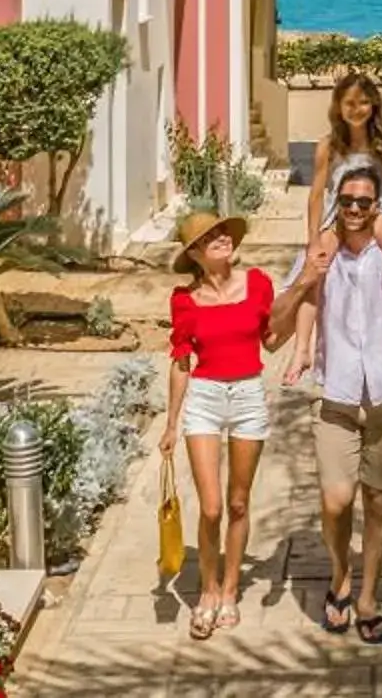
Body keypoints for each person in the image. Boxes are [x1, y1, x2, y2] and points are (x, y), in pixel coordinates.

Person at [267, 155, 382, 649]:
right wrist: (307, 277)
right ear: (335, 204)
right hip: (337, 396)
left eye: (363, 202)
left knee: (379, 501)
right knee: (336, 499)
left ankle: (365, 597)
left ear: (377, 206)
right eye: (346, 201)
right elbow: (272, 330)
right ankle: (339, 572)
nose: (353, 208)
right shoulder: (317, 253)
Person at [158, 210, 272, 638]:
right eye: (210, 237)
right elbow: (181, 361)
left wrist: (301, 300)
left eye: (223, 232)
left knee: (238, 503)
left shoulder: (258, 283)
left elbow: (271, 339)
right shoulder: (184, 300)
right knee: (211, 507)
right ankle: (206, 590)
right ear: (195, 254)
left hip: (247, 395)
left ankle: (229, 589)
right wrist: (171, 423)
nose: (222, 238)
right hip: (205, 398)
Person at [286, 74, 382, 381]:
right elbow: (315, 195)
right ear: (338, 105)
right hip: (337, 215)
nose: (357, 109)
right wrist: (312, 240)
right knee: (314, 269)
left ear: (373, 105)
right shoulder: (329, 146)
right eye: (350, 103)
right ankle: (301, 349)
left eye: (364, 102)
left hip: (375, 211)